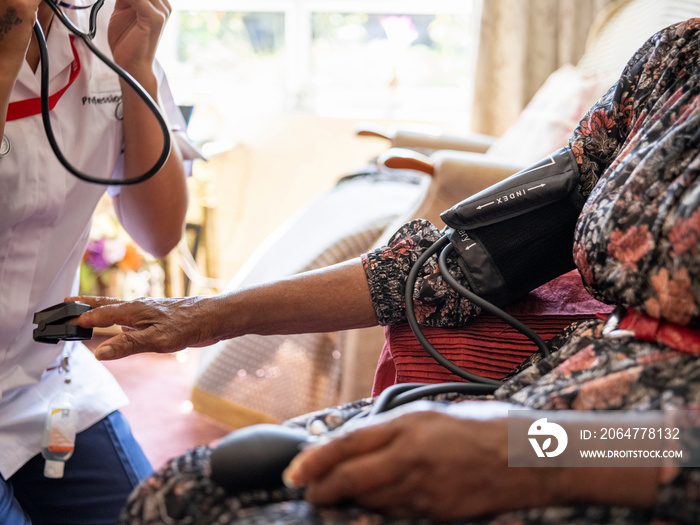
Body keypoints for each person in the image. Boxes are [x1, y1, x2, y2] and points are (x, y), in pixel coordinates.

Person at [72, 18, 700, 525]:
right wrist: (208, 314)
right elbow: (459, 262)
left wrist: (527, 453)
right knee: (180, 493)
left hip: (641, 447)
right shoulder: (674, 62)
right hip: (558, 392)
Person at [0, 0, 194, 523]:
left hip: (44, 374)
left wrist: (136, 72)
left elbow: (159, 232)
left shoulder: (107, 25)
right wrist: (7, 44)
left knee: (147, 514)